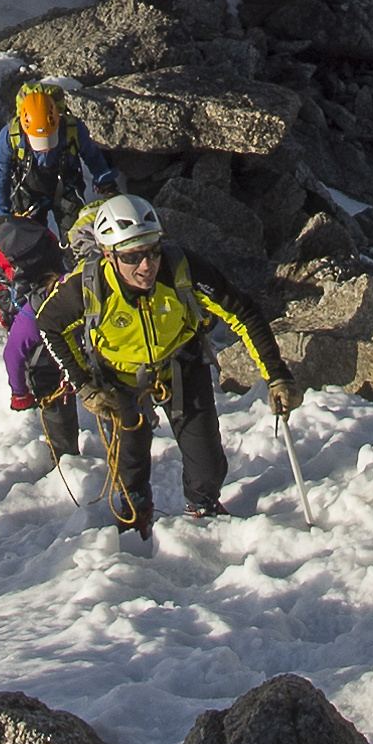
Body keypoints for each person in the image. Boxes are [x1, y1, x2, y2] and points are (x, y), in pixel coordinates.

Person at [37, 193, 290, 546]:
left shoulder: (181, 270)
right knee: (130, 462)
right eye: (132, 257)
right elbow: (49, 326)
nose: (146, 265)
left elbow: (242, 311)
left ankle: (203, 512)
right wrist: (85, 386)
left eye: (152, 251)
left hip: (181, 366)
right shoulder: (87, 288)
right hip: (119, 379)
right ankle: (134, 516)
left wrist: (277, 375)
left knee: (208, 465)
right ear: (109, 256)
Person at [0, 80, 112, 466]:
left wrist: (103, 179)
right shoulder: (11, 139)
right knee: (31, 240)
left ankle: (75, 273)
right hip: (29, 194)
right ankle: (46, 275)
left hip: (63, 186)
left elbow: (90, 155)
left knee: (72, 234)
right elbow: (0, 174)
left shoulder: (70, 129)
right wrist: (3, 215)